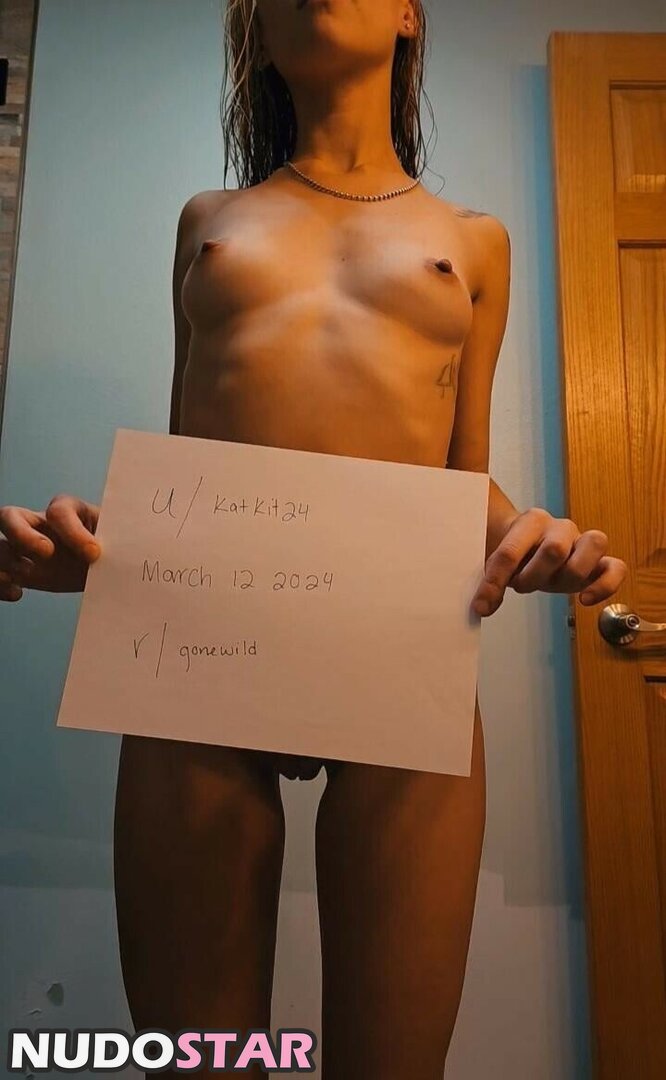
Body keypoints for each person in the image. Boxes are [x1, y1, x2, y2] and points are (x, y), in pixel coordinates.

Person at [0, 1, 626, 1076]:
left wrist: (535, 538)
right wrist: (88, 556)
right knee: (203, 1060)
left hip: (401, 648)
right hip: (195, 652)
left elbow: (463, 476)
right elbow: (189, 451)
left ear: (410, 18)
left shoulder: (474, 239)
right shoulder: (208, 219)